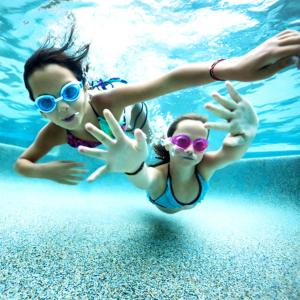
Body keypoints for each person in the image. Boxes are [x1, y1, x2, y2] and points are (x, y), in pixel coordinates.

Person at [14, 26, 300, 185]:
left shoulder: (110, 100)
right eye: (48, 101)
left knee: (149, 147)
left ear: (85, 87)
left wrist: (233, 68)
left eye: (69, 91)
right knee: (133, 155)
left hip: (133, 117)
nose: (62, 107)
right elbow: (22, 163)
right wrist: (44, 170)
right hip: (114, 137)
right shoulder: (53, 132)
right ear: (40, 109)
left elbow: (169, 81)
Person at [78, 81, 258, 213]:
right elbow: (145, 179)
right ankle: (135, 115)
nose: (190, 150)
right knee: (147, 141)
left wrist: (247, 133)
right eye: (182, 141)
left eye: (200, 144)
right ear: (169, 142)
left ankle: (137, 118)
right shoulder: (160, 177)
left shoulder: (205, 165)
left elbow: (230, 154)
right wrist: (133, 167)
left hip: (178, 200)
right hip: (162, 202)